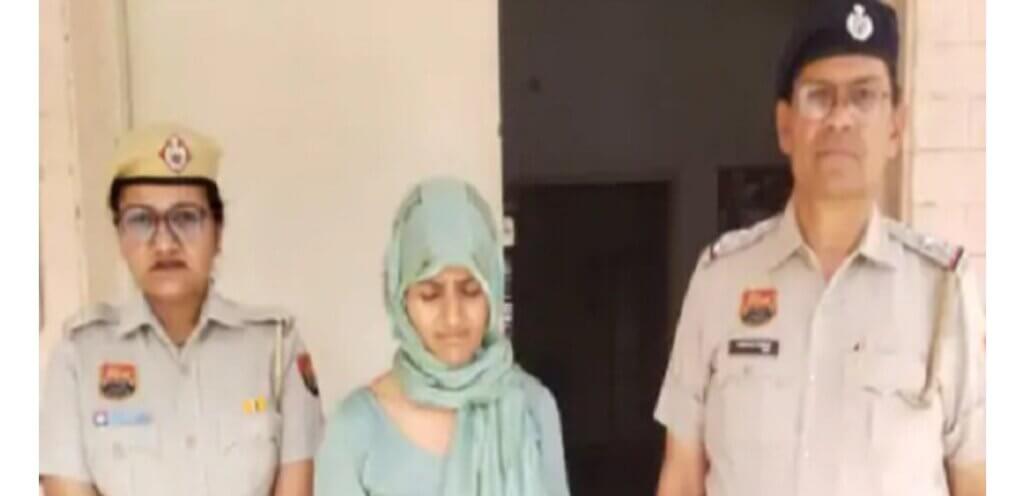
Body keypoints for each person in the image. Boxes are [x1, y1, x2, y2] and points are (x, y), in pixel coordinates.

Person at [653, 1, 985, 495]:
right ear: (785, 127)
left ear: (896, 127)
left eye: (864, 96)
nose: (840, 118)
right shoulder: (720, 279)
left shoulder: (943, 292)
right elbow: (682, 476)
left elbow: (976, 479)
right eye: (819, 96)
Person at [39, 123, 324, 496]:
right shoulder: (78, 357)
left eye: (186, 218)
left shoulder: (276, 347)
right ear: (119, 236)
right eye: (141, 220)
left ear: (218, 232)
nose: (164, 243)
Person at [315, 177, 571, 495]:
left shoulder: (531, 409)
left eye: (471, 291)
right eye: (430, 294)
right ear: (400, 299)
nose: (453, 317)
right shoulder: (354, 431)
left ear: (492, 291)